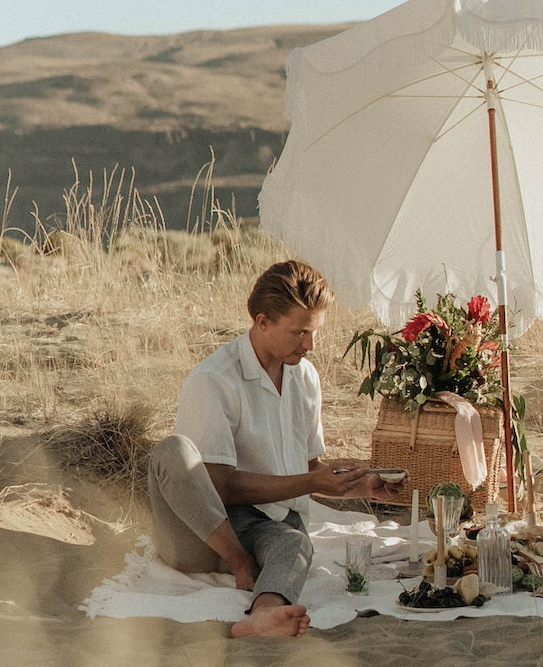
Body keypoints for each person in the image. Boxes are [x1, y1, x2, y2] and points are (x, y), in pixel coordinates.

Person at [147, 260, 398, 638]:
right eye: (299, 332)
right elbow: (220, 487)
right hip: (206, 530)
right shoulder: (214, 380)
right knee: (172, 451)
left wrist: (357, 485)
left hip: (270, 526)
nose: (310, 344)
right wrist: (241, 557)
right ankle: (239, 562)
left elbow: (310, 466)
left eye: (314, 332)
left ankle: (263, 614)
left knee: (295, 544)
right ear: (262, 322)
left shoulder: (305, 376)